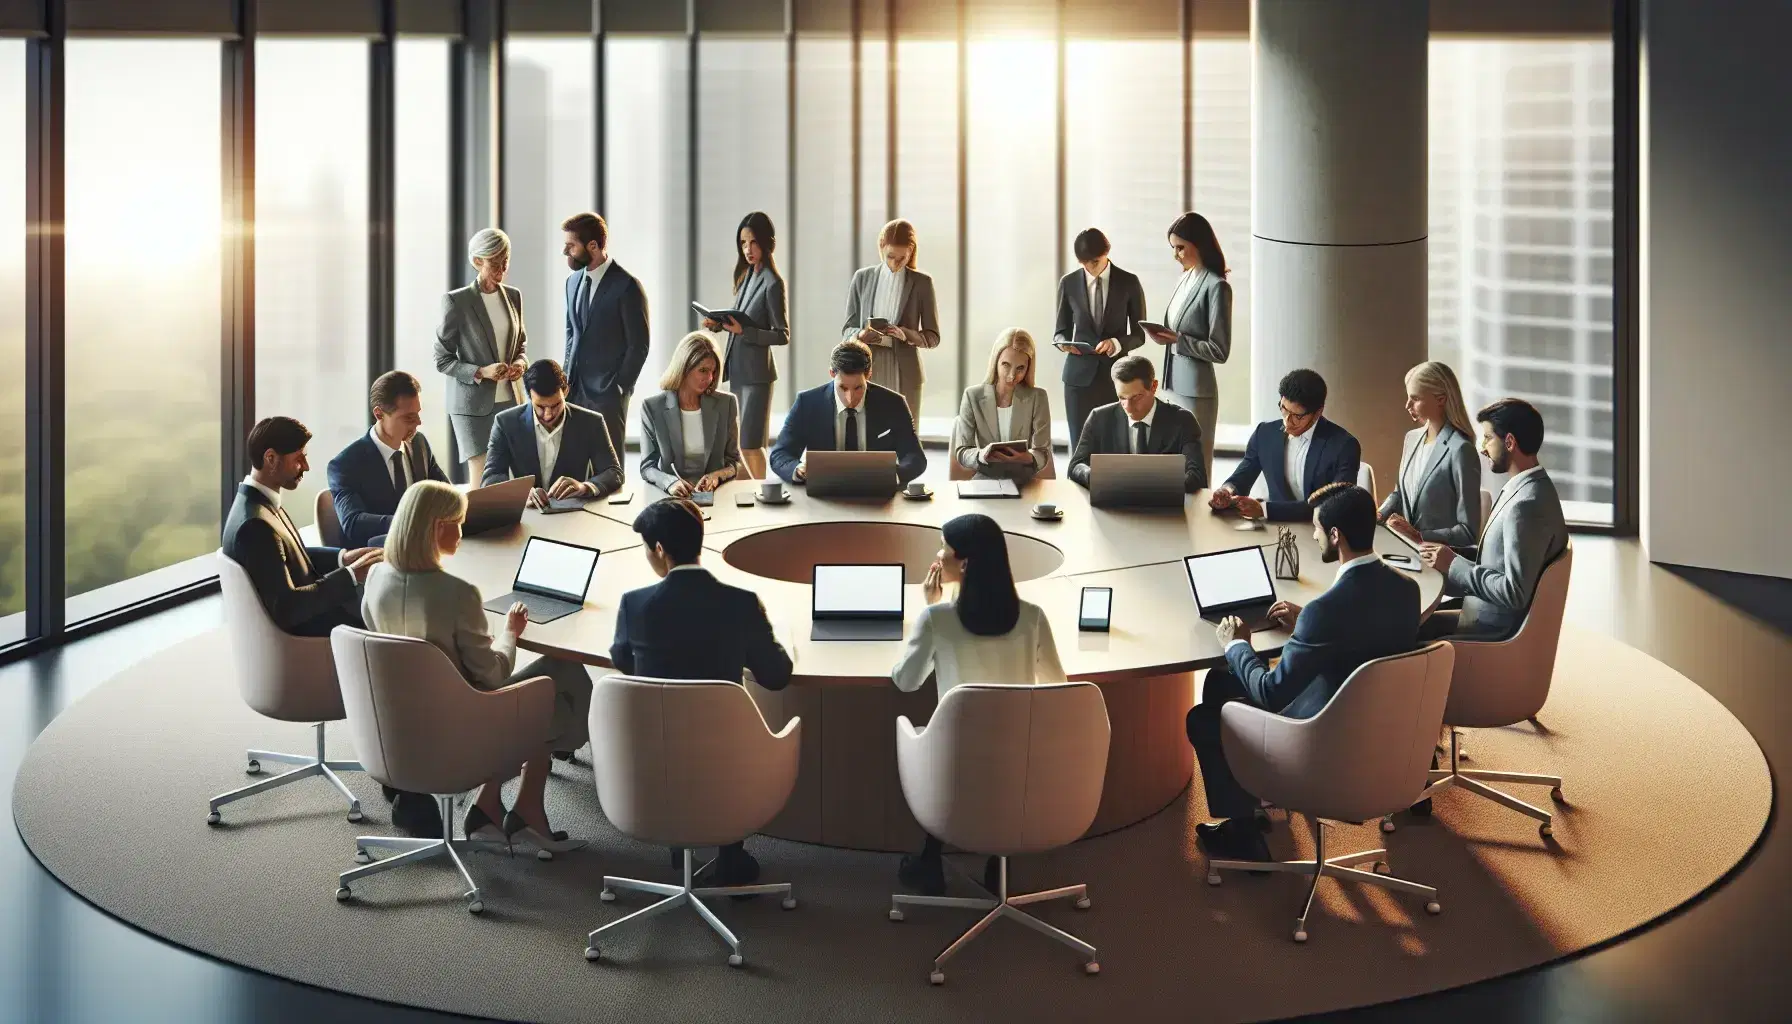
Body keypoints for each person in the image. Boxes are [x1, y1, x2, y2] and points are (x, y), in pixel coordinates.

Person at [1185, 486, 1420, 863]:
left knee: (1203, 718)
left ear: (1335, 536)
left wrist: (1237, 644)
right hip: (1376, 729)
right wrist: (1305, 628)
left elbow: (1270, 693)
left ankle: (1246, 840)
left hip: (1320, 740)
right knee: (1219, 683)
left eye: (1316, 528)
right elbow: (1362, 638)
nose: (1312, 536)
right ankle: (1246, 812)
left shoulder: (1325, 612)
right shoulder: (1407, 591)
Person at [362, 481, 593, 857]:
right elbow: (494, 675)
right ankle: (525, 811)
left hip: (396, 727)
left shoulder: (375, 579)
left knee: (543, 689)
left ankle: (495, 809)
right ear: (438, 527)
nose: (463, 529)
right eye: (458, 522)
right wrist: (510, 633)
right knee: (559, 678)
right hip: (459, 732)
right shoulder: (457, 593)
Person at [610, 498, 795, 887]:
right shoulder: (741, 603)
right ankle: (730, 852)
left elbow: (626, 664)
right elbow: (777, 676)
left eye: (647, 548)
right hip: (725, 764)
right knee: (727, 724)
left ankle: (681, 841)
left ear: (660, 550)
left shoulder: (634, 605)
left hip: (651, 762)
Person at [890, 513, 1066, 896]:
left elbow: (906, 682)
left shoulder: (938, 619)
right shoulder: (1032, 617)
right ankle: (995, 862)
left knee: (928, 735)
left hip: (956, 763)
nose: (938, 554)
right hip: (1021, 762)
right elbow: (1058, 688)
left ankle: (929, 858)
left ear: (964, 563)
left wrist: (928, 612)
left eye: (944, 548)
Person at [1417, 398, 1569, 641]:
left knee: (1400, 633)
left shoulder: (1526, 506)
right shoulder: (1531, 487)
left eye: (1488, 437)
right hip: (1482, 612)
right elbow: (1498, 558)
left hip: (1491, 630)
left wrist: (1453, 565)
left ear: (1509, 442)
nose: (1482, 447)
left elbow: (1514, 592)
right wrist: (1445, 554)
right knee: (1408, 621)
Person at [222, 416, 382, 636]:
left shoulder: (256, 504)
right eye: (299, 459)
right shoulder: (255, 526)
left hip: (315, 612)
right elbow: (288, 607)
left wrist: (342, 559)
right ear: (271, 458)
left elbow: (286, 557)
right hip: (316, 628)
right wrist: (351, 575)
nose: (305, 467)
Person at [1142, 212, 1231, 481]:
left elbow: (1220, 350)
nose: (1176, 255)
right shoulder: (1184, 279)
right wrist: (1165, 337)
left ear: (1199, 244)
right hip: (1170, 385)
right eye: (1173, 248)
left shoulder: (1217, 287)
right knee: (1171, 459)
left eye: (1180, 247)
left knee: (1197, 463)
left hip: (1196, 391)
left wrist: (1180, 341)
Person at [435, 227, 527, 483]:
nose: (502, 269)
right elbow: (442, 359)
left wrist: (520, 363)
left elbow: (521, 345)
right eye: (495, 262)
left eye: (505, 261)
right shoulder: (457, 302)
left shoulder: (514, 296)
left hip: (511, 397)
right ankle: (477, 525)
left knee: (512, 474)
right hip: (471, 403)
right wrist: (481, 372)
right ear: (477, 261)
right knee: (482, 473)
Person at [1210, 368, 1360, 523]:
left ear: (1317, 413)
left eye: (1297, 416)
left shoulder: (1344, 446)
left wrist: (1265, 509)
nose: (1288, 422)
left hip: (1321, 531)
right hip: (1275, 531)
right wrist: (1227, 491)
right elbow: (1241, 478)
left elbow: (1334, 506)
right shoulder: (1265, 433)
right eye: (1284, 409)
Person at [769, 339, 927, 487]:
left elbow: (915, 457)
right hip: (823, 493)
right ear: (832, 373)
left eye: (858, 388)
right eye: (843, 388)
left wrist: (894, 475)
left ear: (869, 375)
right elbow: (780, 454)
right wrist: (798, 469)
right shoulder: (807, 403)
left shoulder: (894, 403)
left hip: (877, 493)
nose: (850, 398)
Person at [704, 211, 788, 479]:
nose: (748, 249)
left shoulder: (773, 283)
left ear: (766, 243)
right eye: (743, 243)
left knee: (752, 444)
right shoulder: (746, 276)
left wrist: (746, 332)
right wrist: (718, 325)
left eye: (753, 243)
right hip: (739, 372)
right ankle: (751, 496)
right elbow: (739, 320)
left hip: (757, 376)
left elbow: (782, 334)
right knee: (741, 445)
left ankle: (761, 495)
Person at [327, 370, 451, 549]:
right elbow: (353, 523)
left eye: (418, 413)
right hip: (379, 558)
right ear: (379, 414)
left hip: (425, 551)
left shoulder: (419, 444)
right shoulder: (345, 464)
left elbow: (445, 494)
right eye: (409, 417)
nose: (418, 423)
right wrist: (411, 522)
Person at [562, 211, 649, 458]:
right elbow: (571, 334)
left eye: (571, 246)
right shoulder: (571, 283)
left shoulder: (627, 286)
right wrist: (566, 376)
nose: (565, 251)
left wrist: (620, 386)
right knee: (576, 464)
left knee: (609, 466)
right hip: (574, 390)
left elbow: (639, 345)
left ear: (593, 246)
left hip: (609, 394)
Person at [840, 218, 940, 426]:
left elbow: (932, 337)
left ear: (911, 252)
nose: (895, 263)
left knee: (905, 437)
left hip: (904, 370)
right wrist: (859, 336)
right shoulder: (862, 278)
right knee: (869, 436)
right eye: (890, 256)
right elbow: (847, 329)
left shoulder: (922, 283)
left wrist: (906, 334)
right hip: (867, 368)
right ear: (881, 248)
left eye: (902, 258)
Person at [1053, 228, 1147, 450]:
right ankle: (1077, 485)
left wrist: (1116, 343)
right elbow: (1060, 330)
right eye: (1083, 263)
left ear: (1107, 252)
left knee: (1113, 445)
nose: (1089, 268)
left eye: (1093, 262)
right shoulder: (1068, 283)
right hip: (1077, 379)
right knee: (1079, 446)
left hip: (1116, 379)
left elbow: (1139, 334)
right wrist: (1062, 343)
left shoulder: (1129, 282)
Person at [481, 358, 623, 503]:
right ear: (530, 396)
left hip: (573, 514)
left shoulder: (592, 422)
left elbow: (613, 472)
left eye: (555, 405)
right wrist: (519, 492)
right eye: (540, 407)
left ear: (566, 391)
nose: (548, 414)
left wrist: (584, 487)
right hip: (525, 514)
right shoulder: (505, 423)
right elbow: (491, 477)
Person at [1380, 361, 1482, 551]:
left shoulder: (1461, 450)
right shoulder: (1411, 439)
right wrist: (1379, 514)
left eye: (1415, 398)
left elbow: (1468, 532)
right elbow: (1400, 493)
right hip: (1405, 551)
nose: (1407, 405)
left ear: (1441, 399)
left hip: (1436, 561)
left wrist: (1418, 536)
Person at [1066, 354, 1206, 492]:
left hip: (1163, 508)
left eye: (1136, 397)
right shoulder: (1099, 418)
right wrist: (1097, 478)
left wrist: (1148, 485)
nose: (1128, 407)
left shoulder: (1183, 421)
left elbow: (1197, 476)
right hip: (1113, 505)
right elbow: (1076, 466)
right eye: (1122, 398)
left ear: (1154, 387)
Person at [638, 332, 746, 497]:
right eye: (703, 370)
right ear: (684, 368)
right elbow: (647, 467)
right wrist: (670, 482)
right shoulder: (652, 408)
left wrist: (716, 476)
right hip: (672, 497)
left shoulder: (727, 404)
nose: (709, 378)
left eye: (713, 371)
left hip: (716, 497)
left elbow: (734, 462)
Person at [950, 328, 1054, 482]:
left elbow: (1042, 452)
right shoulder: (972, 396)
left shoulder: (1038, 398)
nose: (1012, 376)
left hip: (1025, 479)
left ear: (1028, 368)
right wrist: (981, 455)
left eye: (1020, 368)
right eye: (1006, 365)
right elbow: (962, 451)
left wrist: (1029, 457)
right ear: (995, 361)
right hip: (985, 479)